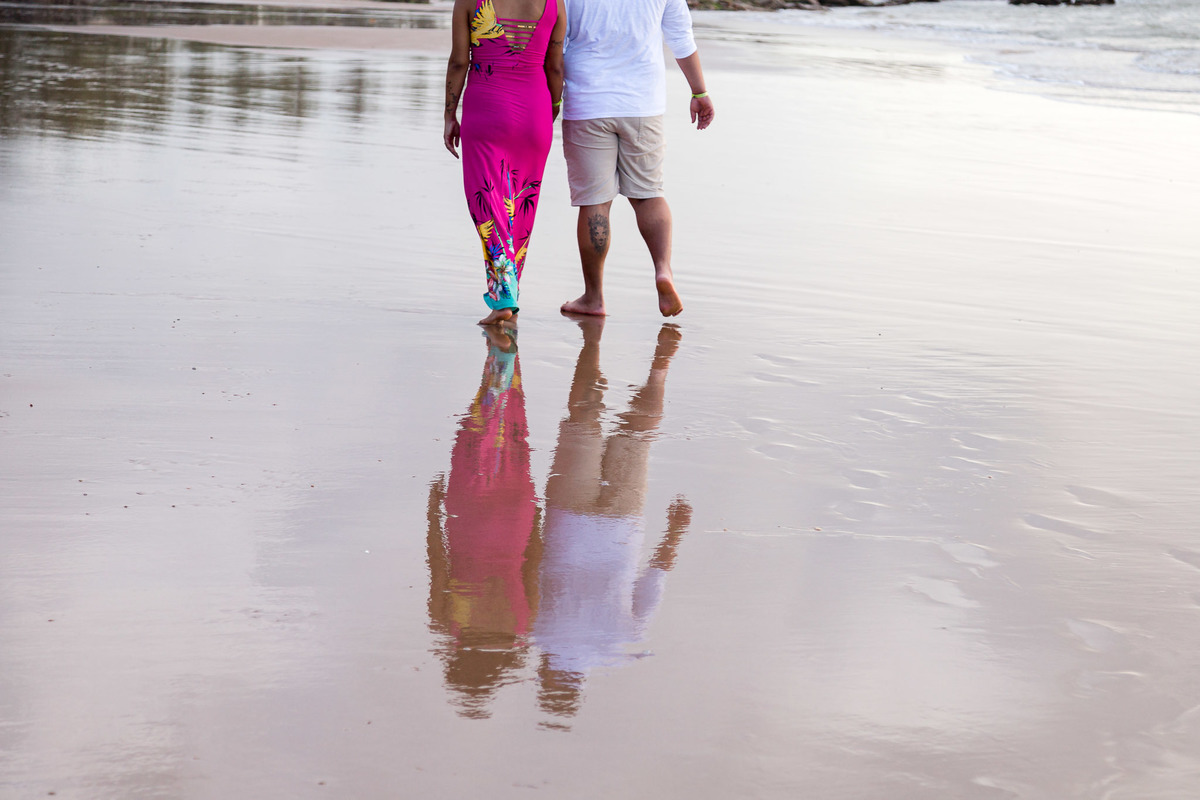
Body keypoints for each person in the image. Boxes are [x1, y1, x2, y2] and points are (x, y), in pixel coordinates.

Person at [558, 0, 715, 318]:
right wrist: (699, 92)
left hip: (588, 102)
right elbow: (681, 39)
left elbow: (556, 39)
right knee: (648, 195)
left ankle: (594, 297)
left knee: (595, 202)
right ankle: (663, 270)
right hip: (643, 104)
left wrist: (550, 96)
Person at [444, 0, 568, 326]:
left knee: (487, 203)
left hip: (486, 111)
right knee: (521, 208)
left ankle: (503, 297)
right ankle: (509, 295)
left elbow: (459, 62)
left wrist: (449, 114)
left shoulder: (469, 2)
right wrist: (552, 107)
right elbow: (554, 67)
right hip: (535, 112)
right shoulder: (554, 3)